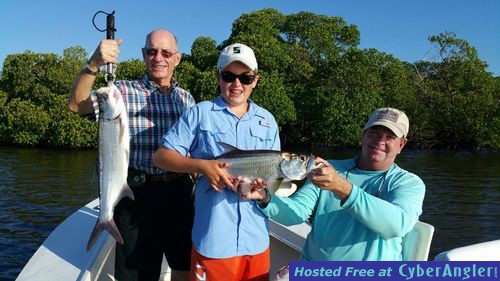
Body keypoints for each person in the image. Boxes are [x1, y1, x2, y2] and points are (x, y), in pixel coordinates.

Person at [68, 29, 195, 281]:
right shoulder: (120, 93)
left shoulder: (187, 99)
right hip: (136, 193)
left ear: (177, 58)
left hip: (179, 192)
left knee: (183, 264)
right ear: (143, 55)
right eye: (151, 51)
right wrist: (93, 63)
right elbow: (76, 104)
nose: (158, 57)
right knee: (137, 273)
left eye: (166, 52)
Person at [152, 43, 280, 281]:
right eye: (228, 76)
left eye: (246, 77)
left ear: (256, 80)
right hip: (214, 238)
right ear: (217, 77)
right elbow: (161, 157)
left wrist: (263, 188)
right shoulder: (199, 113)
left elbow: (273, 182)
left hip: (257, 239)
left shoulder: (268, 120)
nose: (237, 84)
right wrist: (202, 166)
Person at [251, 107, 426, 261]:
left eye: (390, 137)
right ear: (363, 136)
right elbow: (296, 213)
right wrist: (265, 198)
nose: (380, 141)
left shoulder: (408, 183)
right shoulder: (329, 169)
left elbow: (396, 226)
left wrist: (342, 187)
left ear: (401, 145)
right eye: (374, 133)